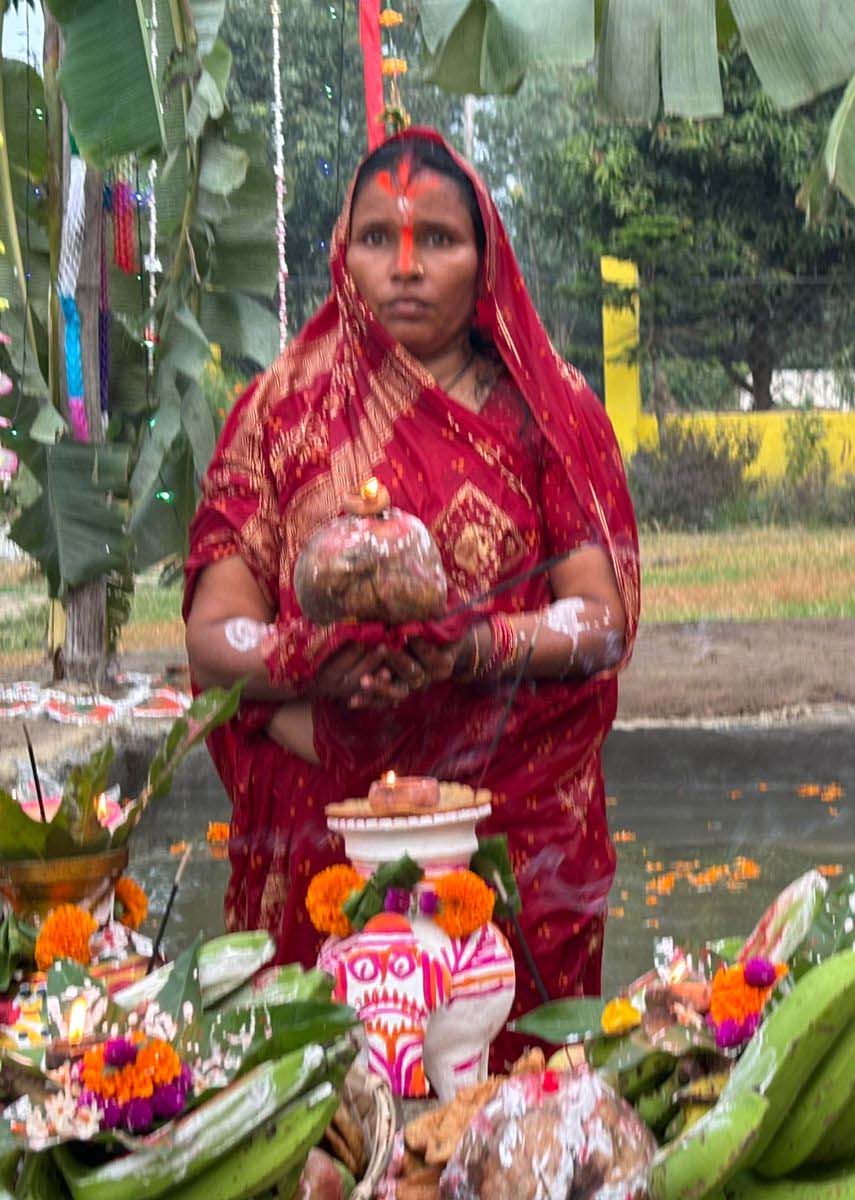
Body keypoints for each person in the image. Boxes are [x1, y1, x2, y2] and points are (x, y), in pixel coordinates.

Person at [183, 129, 639, 1050]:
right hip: (327, 825)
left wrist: (471, 649)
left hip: (509, 827)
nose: (405, 267)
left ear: (485, 256)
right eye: (375, 239)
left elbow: (600, 618)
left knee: (504, 1099)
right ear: (341, 253)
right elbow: (214, 631)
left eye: (437, 239)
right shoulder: (279, 411)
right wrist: (313, 661)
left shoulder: (548, 414)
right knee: (336, 1101)